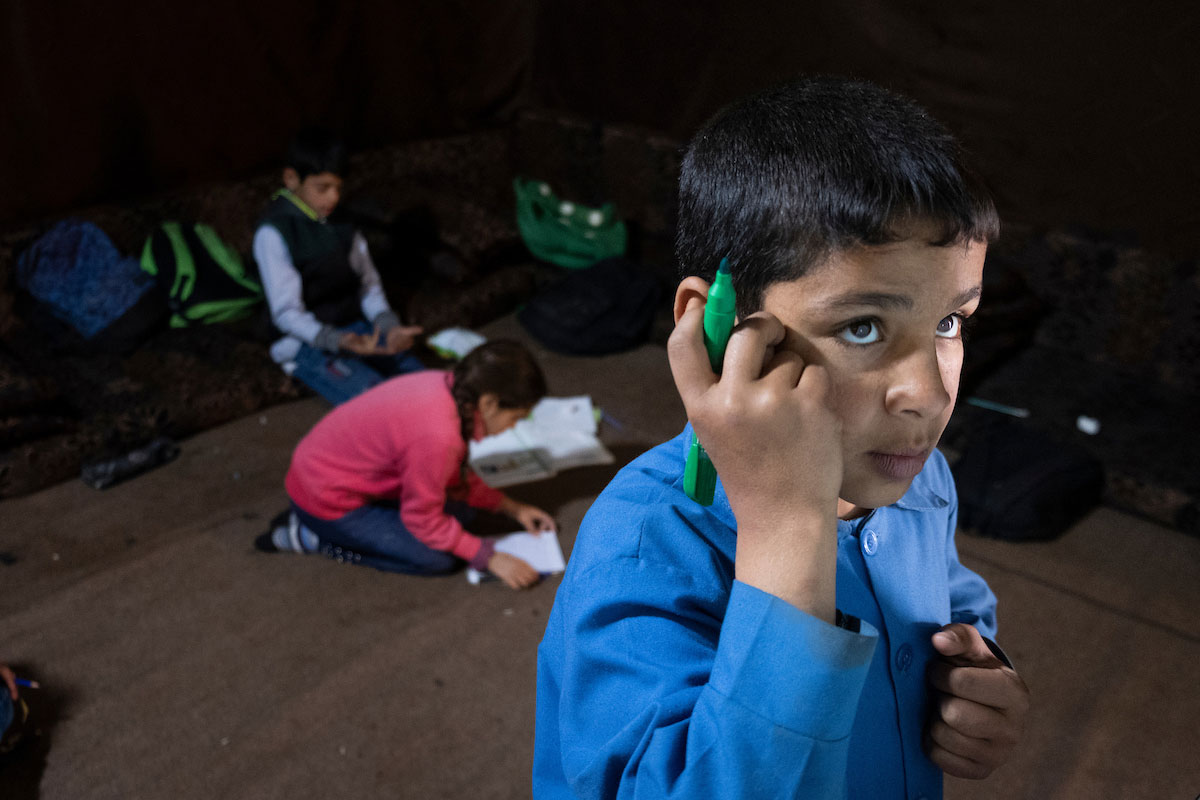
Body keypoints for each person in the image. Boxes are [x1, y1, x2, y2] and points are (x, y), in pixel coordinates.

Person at [534, 76, 1030, 798]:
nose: (927, 394)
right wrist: (787, 528)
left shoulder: (919, 478)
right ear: (717, 327)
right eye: (862, 327)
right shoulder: (644, 540)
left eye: (950, 323)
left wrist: (977, 672)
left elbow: (950, 601)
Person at [256, 339, 558, 590]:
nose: (513, 427)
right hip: (326, 498)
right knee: (437, 559)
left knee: (463, 513)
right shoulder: (439, 436)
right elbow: (422, 519)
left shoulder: (449, 388)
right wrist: (487, 556)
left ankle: (320, 524)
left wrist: (510, 507)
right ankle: (314, 538)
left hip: (330, 475)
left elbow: (454, 477)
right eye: (515, 417)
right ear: (490, 404)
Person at [253, 128, 425, 405]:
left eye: (338, 188)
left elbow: (368, 284)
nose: (333, 198)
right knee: (378, 400)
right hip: (305, 342)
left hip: (354, 328)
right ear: (291, 179)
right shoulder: (275, 233)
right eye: (322, 188)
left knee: (423, 383)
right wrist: (336, 340)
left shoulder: (344, 223)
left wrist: (388, 325)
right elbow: (286, 313)